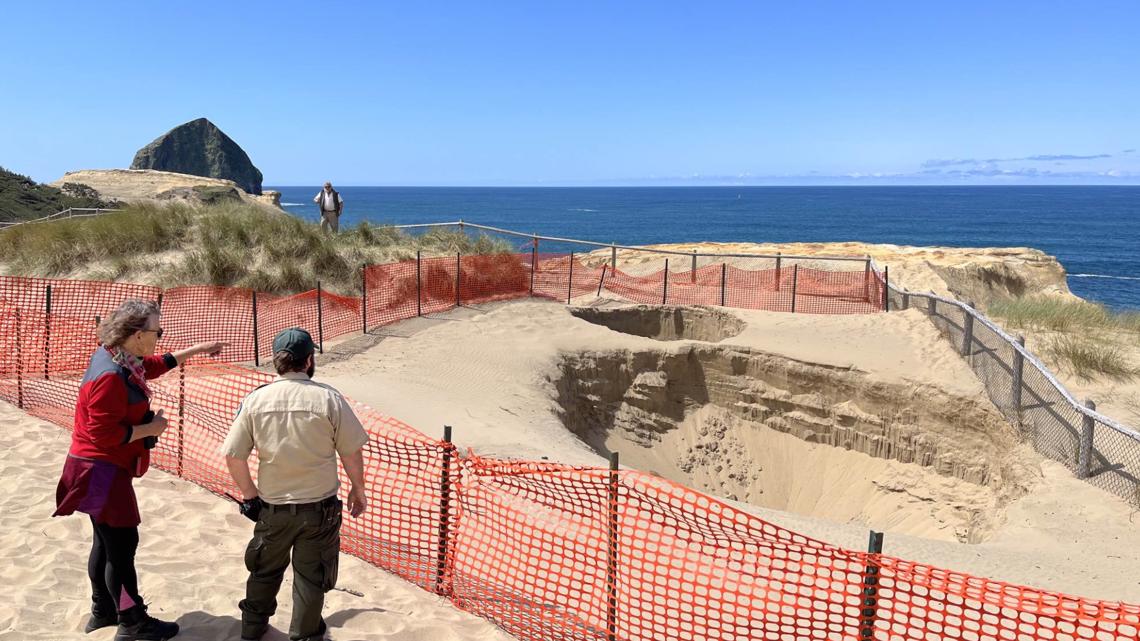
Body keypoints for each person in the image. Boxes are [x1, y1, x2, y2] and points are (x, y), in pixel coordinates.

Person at [53, 299, 226, 640]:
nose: (159, 337)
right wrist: (151, 428)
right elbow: (104, 434)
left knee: (105, 543)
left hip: (92, 468)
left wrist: (197, 349)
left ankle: (103, 612)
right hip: (100, 470)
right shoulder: (111, 377)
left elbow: (153, 365)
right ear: (135, 335)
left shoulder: (117, 357)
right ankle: (132, 621)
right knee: (121, 547)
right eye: (156, 331)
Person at [221, 328, 369, 641]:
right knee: (311, 577)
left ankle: (252, 630)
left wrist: (250, 498)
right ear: (309, 360)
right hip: (319, 509)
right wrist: (359, 488)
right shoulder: (328, 397)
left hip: (273, 507)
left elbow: (234, 456)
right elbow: (350, 450)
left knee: (264, 570)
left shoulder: (255, 400)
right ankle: (304, 635)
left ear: (276, 361)